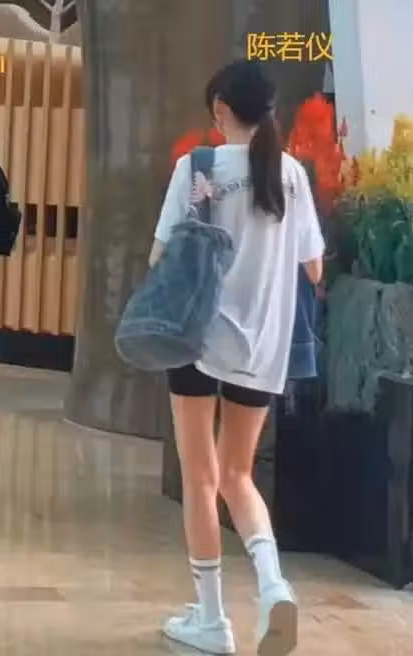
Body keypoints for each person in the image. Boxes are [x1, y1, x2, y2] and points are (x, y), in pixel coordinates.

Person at [154, 60, 324, 655]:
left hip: (197, 339)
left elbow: (161, 257)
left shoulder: (197, 167)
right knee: (238, 475)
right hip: (264, 346)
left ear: (221, 109)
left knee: (200, 477)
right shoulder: (292, 174)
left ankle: (211, 619)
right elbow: (313, 268)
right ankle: (274, 587)